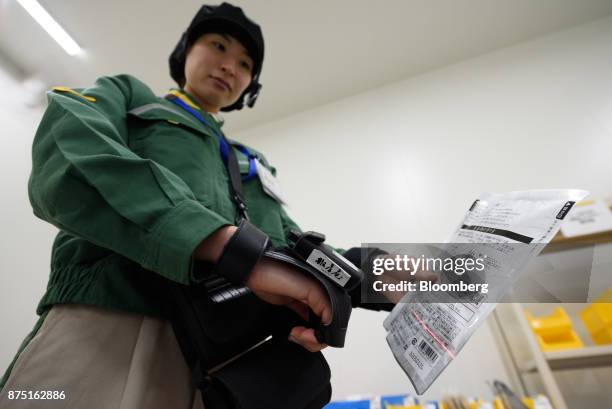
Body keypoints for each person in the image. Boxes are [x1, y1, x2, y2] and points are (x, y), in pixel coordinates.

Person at [0, 3, 428, 408]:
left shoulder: (249, 163)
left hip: (215, 363)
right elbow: (68, 154)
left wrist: (385, 275)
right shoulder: (130, 98)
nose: (230, 66)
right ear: (186, 49)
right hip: (104, 323)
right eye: (219, 46)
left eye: (245, 64)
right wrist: (229, 248)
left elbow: (287, 251)